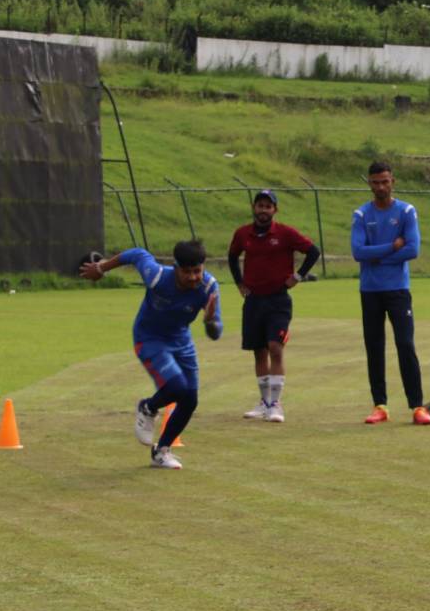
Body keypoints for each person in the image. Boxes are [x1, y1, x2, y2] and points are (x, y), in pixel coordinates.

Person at [79, 240, 222, 470]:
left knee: (190, 399)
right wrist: (101, 268)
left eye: (198, 271)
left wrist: (210, 321)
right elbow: (136, 254)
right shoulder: (156, 276)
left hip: (181, 341)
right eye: (187, 272)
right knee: (176, 386)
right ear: (175, 267)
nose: (194, 277)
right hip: (149, 338)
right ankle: (148, 407)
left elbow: (215, 334)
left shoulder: (209, 288)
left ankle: (162, 451)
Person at [227, 189, 321, 424]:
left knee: (275, 347)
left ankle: (276, 403)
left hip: (278, 300)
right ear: (254, 208)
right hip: (253, 301)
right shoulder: (243, 233)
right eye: (260, 205)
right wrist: (239, 282)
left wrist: (297, 276)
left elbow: (313, 252)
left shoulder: (285, 233)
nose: (263, 210)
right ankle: (264, 402)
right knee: (259, 351)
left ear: (274, 210)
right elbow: (232, 256)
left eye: (268, 206)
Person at [352, 161, 430, 426]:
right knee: (374, 347)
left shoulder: (407, 211)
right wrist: (391, 248)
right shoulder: (362, 215)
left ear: (393, 182)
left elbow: (412, 249)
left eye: (385, 181)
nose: (381, 187)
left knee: (405, 344)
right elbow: (358, 252)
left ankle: (418, 406)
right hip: (370, 290)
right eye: (375, 182)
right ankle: (380, 406)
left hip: (398, 289)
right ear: (369, 183)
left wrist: (377, 257)